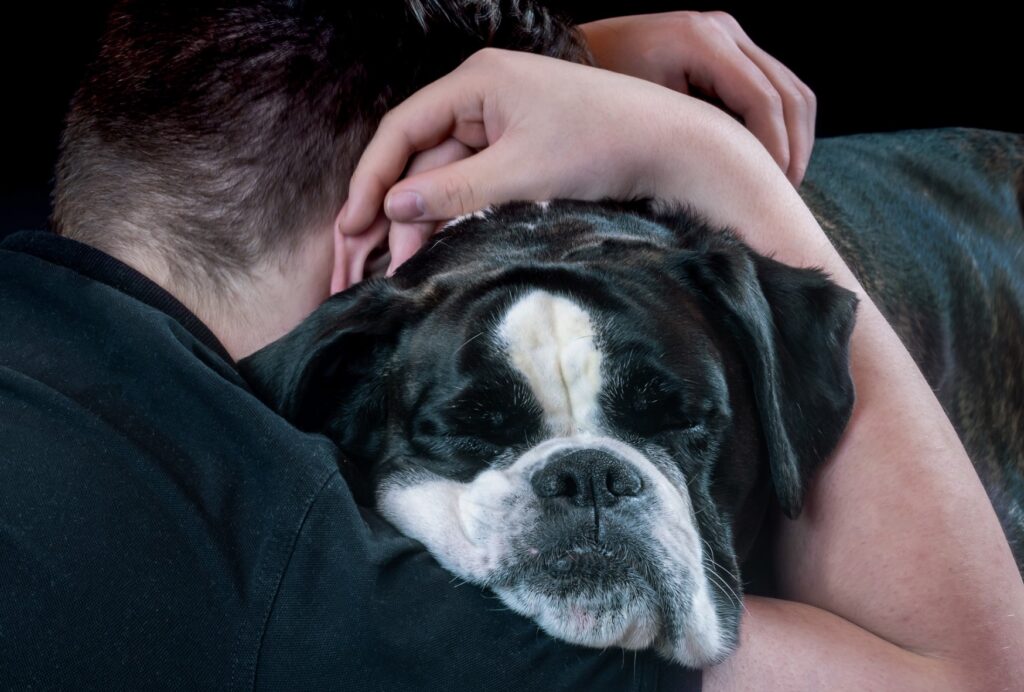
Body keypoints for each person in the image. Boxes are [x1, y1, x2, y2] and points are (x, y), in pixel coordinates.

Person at [0, 2, 1019, 690]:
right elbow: (974, 675)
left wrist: (575, 54)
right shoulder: (308, 588)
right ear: (391, 231)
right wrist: (704, 154)